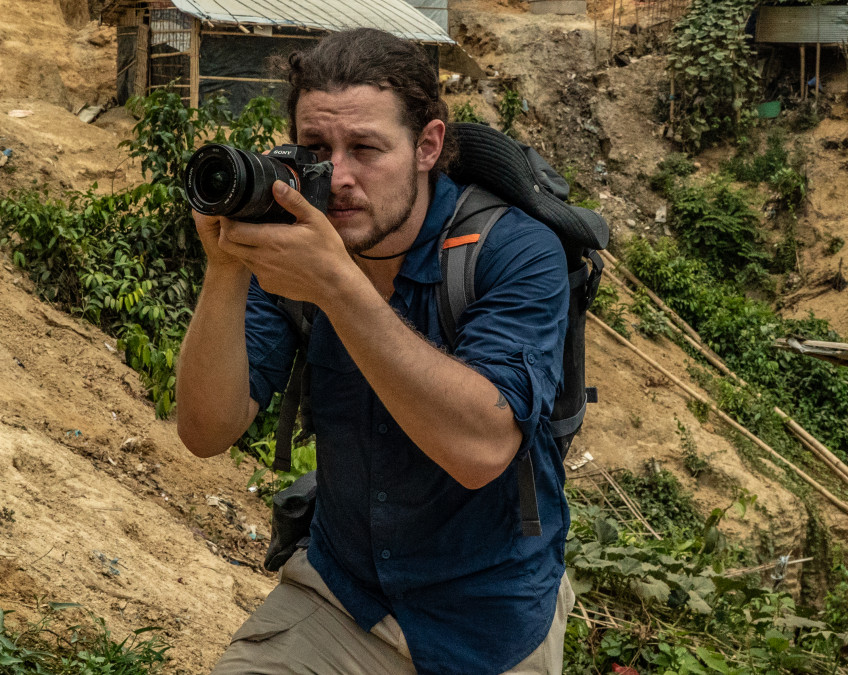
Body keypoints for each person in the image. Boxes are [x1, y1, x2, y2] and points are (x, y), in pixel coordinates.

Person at [177, 28, 573, 675]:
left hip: (491, 618)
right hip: (345, 592)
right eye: (317, 149)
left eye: (365, 148)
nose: (340, 178)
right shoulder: (298, 251)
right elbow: (206, 429)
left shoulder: (512, 251)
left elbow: (480, 450)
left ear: (428, 145)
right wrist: (225, 269)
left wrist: (340, 286)